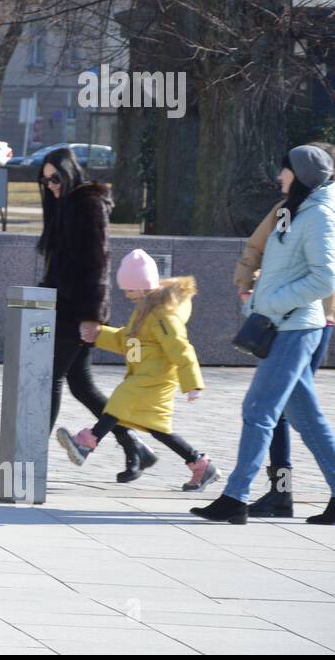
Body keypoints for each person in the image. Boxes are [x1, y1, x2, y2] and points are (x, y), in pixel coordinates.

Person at [193, 146, 335, 525]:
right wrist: (258, 298)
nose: (279, 176)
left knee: (258, 411)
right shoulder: (295, 211)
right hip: (288, 323)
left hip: (296, 326)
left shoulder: (318, 215)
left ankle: (235, 497)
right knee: (308, 420)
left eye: (284, 170)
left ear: (301, 175)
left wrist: (270, 301)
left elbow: (325, 278)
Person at [37, 146, 155, 481]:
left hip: (79, 310)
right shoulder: (62, 206)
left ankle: (33, 455)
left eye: (55, 178)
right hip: (64, 307)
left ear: (69, 172)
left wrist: (91, 317)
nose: (50, 185)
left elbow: (97, 263)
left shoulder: (87, 203)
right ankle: (135, 448)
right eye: (45, 181)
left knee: (51, 379)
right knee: (81, 384)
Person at [56, 249, 218, 491]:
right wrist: (100, 335)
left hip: (156, 378)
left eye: (130, 288)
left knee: (121, 400)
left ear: (144, 285)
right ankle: (200, 464)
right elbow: (128, 342)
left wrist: (192, 383)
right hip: (145, 375)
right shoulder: (145, 308)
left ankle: (87, 442)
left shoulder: (162, 314)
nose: (126, 293)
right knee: (158, 428)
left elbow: (180, 347)